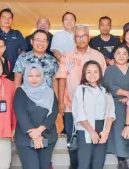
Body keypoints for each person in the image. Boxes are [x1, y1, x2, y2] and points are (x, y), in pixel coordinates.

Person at [56, 25, 107, 169]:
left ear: (89, 36)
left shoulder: (98, 56)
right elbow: (62, 79)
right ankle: (75, 164)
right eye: (78, 36)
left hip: (94, 108)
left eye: (84, 35)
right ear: (74, 38)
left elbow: (103, 81)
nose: (81, 39)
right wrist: (61, 102)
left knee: (92, 137)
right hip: (70, 105)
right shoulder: (67, 56)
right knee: (73, 138)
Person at [103, 44, 129, 169]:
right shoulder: (110, 69)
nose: (121, 56)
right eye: (118, 53)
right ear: (113, 56)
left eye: (124, 53)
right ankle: (121, 158)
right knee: (119, 126)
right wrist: (127, 94)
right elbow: (110, 86)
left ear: (128, 56)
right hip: (116, 103)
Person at [13, 63, 58, 169]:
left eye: (37, 76)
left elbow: (53, 113)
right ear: (25, 77)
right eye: (30, 76)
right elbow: (20, 114)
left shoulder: (50, 92)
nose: (34, 79)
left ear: (42, 76)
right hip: (25, 139)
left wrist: (39, 131)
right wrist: (35, 135)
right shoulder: (20, 92)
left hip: (47, 136)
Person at [72, 60, 115, 169]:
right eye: (88, 72)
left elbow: (111, 112)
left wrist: (106, 131)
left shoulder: (105, 89)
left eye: (95, 72)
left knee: (98, 163)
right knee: (84, 163)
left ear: (100, 73)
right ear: (84, 74)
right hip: (85, 129)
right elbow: (79, 113)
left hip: (102, 128)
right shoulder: (80, 89)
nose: (92, 75)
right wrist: (92, 132)